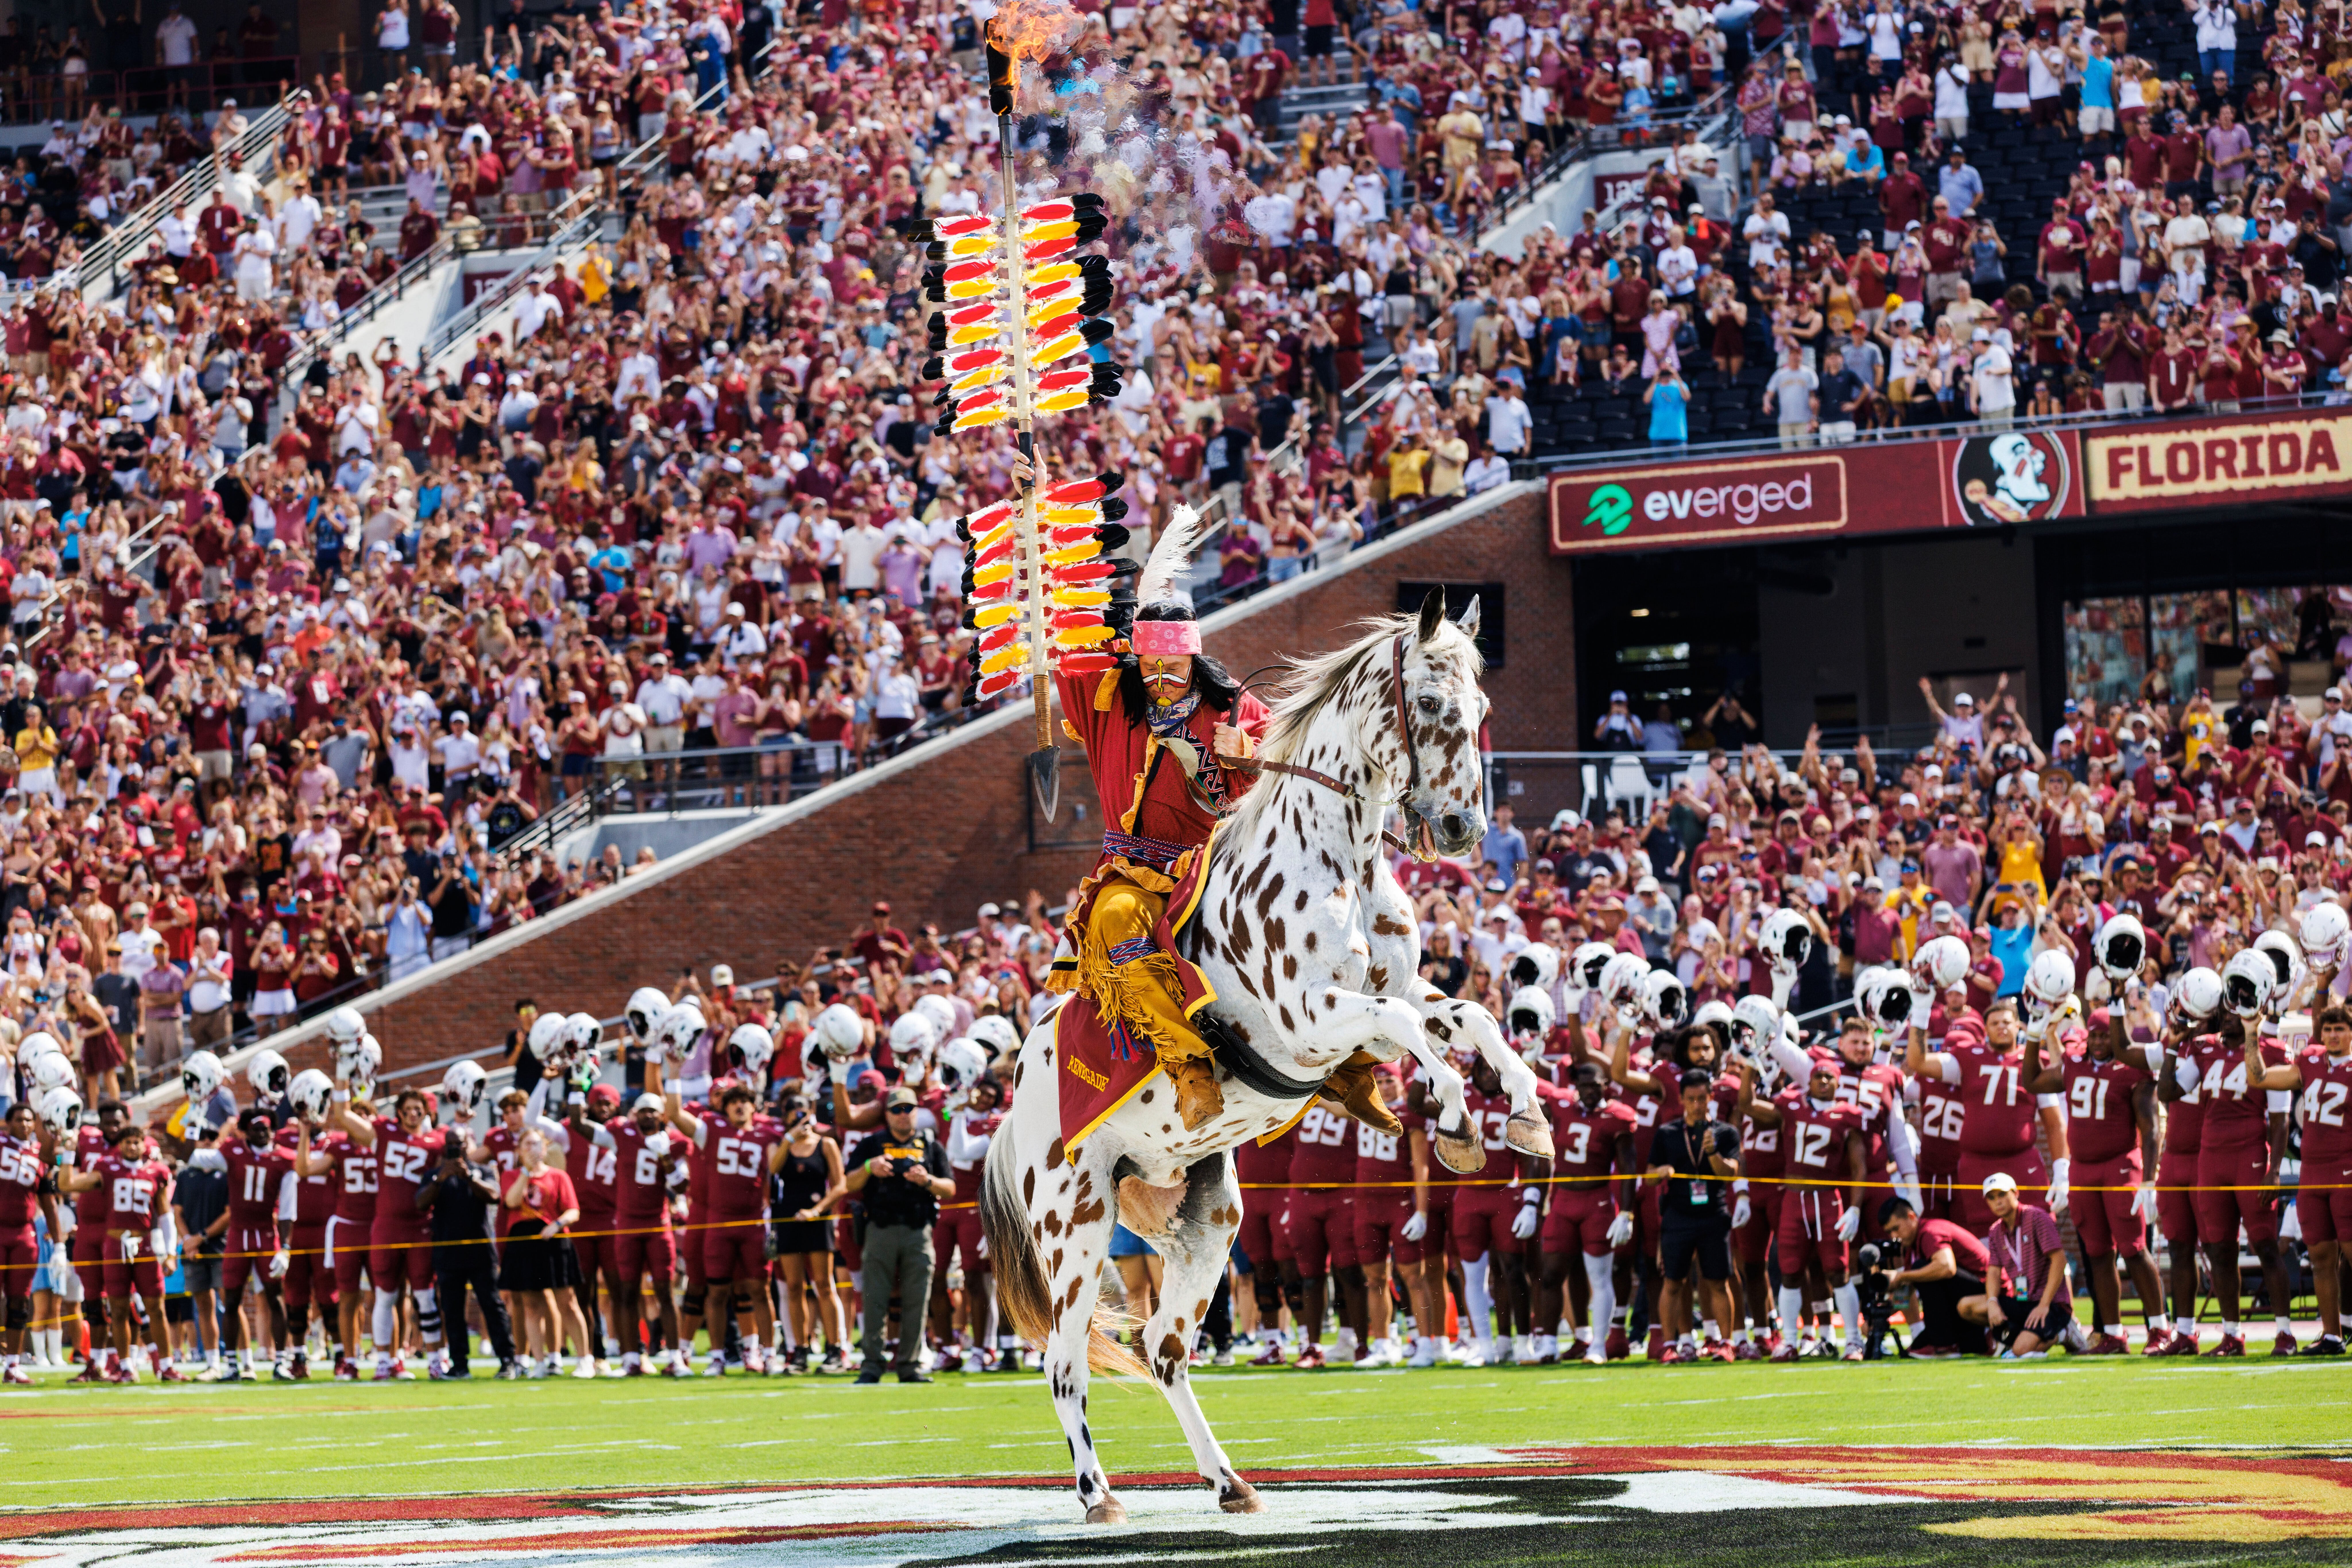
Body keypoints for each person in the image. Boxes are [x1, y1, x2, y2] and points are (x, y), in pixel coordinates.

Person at [1031, 466, 1385, 1136]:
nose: (1162, 678)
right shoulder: (1109, 701)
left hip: (1216, 858)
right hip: (1133, 868)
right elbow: (1068, 624)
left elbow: (1276, 792)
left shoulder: (1238, 711)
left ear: (1196, 658)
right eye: (1152, 666)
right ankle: (1190, 1066)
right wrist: (1044, 510)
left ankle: (1350, 1066)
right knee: (1111, 922)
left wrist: (1232, 759)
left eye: (1175, 666)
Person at [844, 1086, 954, 1385]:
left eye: (908, 1108)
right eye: (896, 1109)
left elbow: (950, 1187)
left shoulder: (931, 1145)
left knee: (917, 1301)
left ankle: (909, 1364)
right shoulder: (872, 1144)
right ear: (887, 1114)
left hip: (918, 1230)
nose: (903, 1115)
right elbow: (848, 1181)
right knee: (874, 1299)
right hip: (879, 1228)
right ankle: (871, 1364)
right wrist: (870, 1167)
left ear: (916, 1111)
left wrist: (927, 1179)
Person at [1644, 1068, 1742, 1364]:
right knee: (1673, 1282)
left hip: (1714, 1213)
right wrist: (1659, 1172)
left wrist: (1713, 1153)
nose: (1698, 1104)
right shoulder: (1667, 1133)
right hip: (1678, 1215)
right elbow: (1648, 1176)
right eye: (1692, 1099)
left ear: (1711, 1098)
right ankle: (1670, 1344)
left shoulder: (1725, 1132)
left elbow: (1731, 1173)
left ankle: (1726, 1343)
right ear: (1682, 1099)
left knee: (1717, 1281)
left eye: (1703, 1098)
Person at [417, 1126, 518, 1379]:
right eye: (451, 1144)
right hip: (447, 1251)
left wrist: (469, 1177)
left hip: (480, 1250)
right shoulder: (434, 1175)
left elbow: (495, 1196)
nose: (456, 1149)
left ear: (468, 1145)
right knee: (452, 1308)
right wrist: (441, 1179)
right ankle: (460, 1363)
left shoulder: (482, 1170)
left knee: (492, 1305)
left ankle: (508, 1359)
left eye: (460, 1144)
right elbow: (420, 1203)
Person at [1980, 1172, 2071, 1357]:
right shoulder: (1995, 1231)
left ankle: (2064, 1333)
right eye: (1991, 1198)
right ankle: (2018, 1337)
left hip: (2052, 1304)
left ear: (2016, 1193)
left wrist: (2044, 1305)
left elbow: (2060, 1259)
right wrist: (1992, 1303)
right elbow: (1994, 1272)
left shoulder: (2037, 1217)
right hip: (2024, 1302)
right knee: (1968, 1306)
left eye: (2002, 1195)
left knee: (2020, 1351)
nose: (1998, 1201)